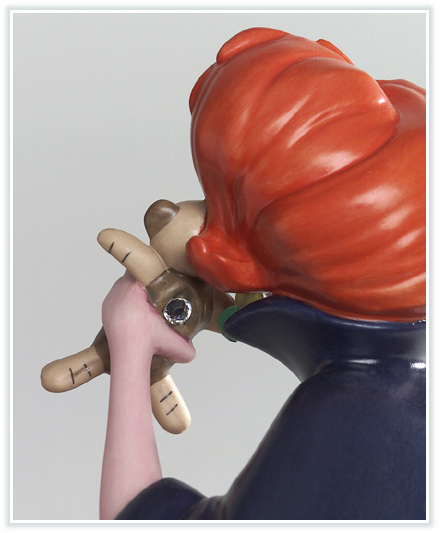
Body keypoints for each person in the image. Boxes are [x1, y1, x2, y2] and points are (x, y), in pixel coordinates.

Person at [99, 28, 426, 520]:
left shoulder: (346, 413)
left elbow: (137, 520)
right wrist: (222, 316)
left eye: (217, 202)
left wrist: (129, 342)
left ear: (227, 259)